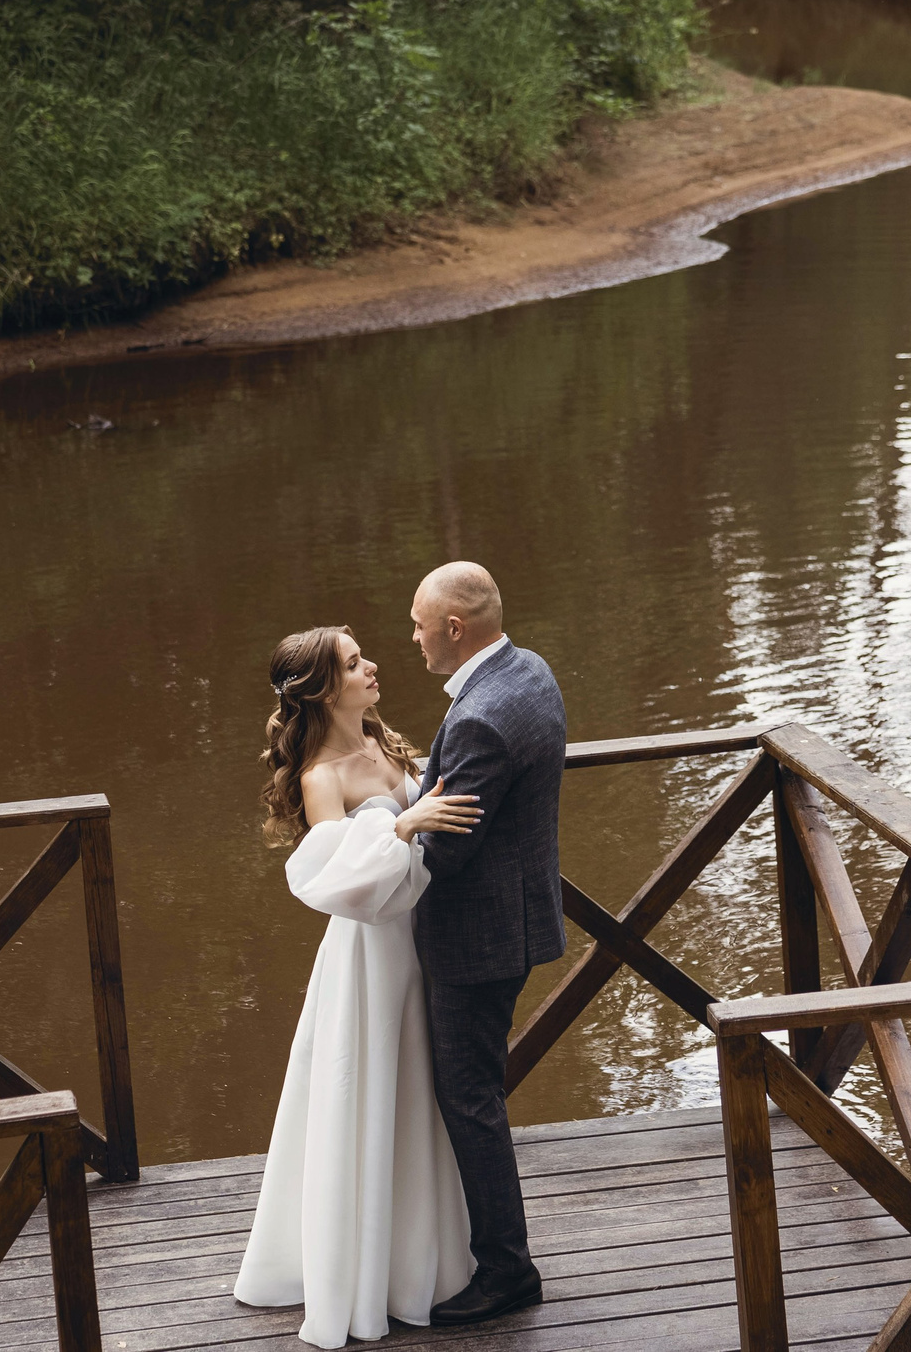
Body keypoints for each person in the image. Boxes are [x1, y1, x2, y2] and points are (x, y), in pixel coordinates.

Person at [233, 625, 484, 1348]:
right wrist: (405, 822)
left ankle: (423, 1262)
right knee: (371, 1094)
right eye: (352, 662)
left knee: (421, 1096)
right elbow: (337, 882)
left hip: (421, 947)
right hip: (370, 957)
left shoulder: (385, 743)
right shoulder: (322, 775)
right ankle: (365, 1276)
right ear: (322, 688)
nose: (371, 665)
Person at [407, 561, 566, 1326]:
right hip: (518, 915)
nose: (412, 636)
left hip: (476, 937)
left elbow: (447, 850)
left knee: (469, 1097)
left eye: (417, 623)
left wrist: (385, 832)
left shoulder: (478, 716)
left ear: (454, 628)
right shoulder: (528, 671)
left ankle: (507, 1271)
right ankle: (494, 1254)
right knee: (478, 1093)